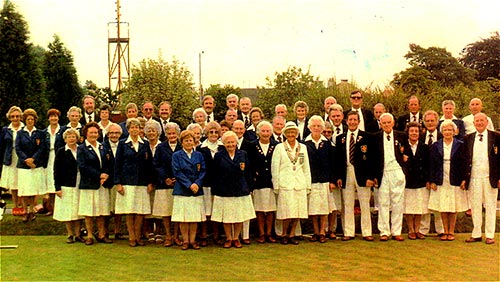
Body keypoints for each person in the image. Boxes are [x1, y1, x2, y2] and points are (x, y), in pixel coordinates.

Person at [335, 111, 375, 241]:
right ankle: (349, 232)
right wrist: (339, 177)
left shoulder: (367, 137)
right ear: (346, 121)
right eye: (350, 120)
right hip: (347, 172)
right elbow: (339, 160)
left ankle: (367, 232)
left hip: (363, 174)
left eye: (354, 120)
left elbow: (371, 159)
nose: (352, 122)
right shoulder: (340, 138)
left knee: (364, 203)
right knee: (348, 204)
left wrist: (370, 177)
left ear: (358, 121)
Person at [211, 131, 255, 248]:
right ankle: (229, 238)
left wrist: (250, 188)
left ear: (236, 142)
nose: (230, 144)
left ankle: (236, 238)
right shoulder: (219, 155)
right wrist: (214, 191)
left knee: (238, 215)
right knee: (227, 216)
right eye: (228, 142)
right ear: (224, 143)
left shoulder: (243, 154)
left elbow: (248, 173)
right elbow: (215, 175)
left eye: (232, 142)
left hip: (241, 190)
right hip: (224, 191)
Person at [114, 118, 154, 247]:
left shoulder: (145, 144)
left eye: (137, 127)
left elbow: (149, 165)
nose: (134, 130)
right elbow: (117, 164)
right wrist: (118, 183)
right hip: (127, 182)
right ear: (128, 129)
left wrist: (150, 182)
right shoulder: (122, 144)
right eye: (132, 127)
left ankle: (138, 236)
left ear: (140, 129)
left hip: (142, 182)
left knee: (140, 211)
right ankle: (131, 236)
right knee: (129, 210)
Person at [271, 122, 311, 245]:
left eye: (293, 132)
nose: (291, 134)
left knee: (297, 211)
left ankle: (292, 234)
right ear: (285, 134)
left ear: (297, 133)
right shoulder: (279, 147)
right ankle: (284, 234)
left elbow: (306, 167)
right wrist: (276, 185)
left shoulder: (302, 147)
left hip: (299, 183)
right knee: (286, 211)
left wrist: (308, 185)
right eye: (288, 132)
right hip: (285, 184)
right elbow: (275, 167)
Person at [428, 120, 468, 241]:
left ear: (454, 131)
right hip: (440, 177)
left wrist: (464, 179)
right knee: (443, 206)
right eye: (445, 130)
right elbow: (432, 164)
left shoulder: (461, 144)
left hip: (455, 177)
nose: (447, 132)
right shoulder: (436, 145)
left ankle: (451, 231)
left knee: (453, 205)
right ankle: (444, 231)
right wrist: (432, 180)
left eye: (450, 130)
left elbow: (465, 163)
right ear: (442, 131)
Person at [464, 113, 500, 244]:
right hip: (473, 177)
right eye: (477, 121)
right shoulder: (468, 138)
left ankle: (490, 235)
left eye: (481, 120)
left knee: (490, 206)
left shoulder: (496, 136)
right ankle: (476, 233)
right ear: (473, 123)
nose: (479, 123)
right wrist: (465, 179)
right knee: (475, 206)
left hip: (490, 177)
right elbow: (465, 159)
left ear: (486, 122)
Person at [373, 113, 408, 241]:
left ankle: (396, 231)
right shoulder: (375, 137)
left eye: (389, 122)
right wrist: (374, 176)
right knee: (382, 202)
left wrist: (404, 168)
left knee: (397, 203)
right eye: (384, 123)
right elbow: (373, 159)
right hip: (382, 173)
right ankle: (384, 231)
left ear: (393, 123)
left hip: (396, 171)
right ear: (380, 124)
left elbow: (407, 152)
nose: (387, 125)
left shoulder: (401, 136)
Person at [77, 122, 112, 245]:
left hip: (102, 185)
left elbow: (108, 163)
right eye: (91, 132)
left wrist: (105, 175)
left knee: (102, 211)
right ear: (86, 134)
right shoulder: (81, 148)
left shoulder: (103, 146)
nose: (93, 134)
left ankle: (102, 234)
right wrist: (98, 175)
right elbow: (83, 166)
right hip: (89, 184)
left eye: (95, 132)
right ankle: (90, 236)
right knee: (89, 212)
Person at [171, 130, 207, 250]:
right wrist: (189, 185)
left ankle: (193, 240)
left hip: (196, 190)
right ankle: (185, 240)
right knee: (184, 217)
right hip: (182, 190)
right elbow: (177, 172)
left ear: (194, 142)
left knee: (194, 217)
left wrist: (197, 183)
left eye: (190, 140)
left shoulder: (199, 155)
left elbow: (203, 171)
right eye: (186, 140)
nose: (188, 142)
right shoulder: (176, 155)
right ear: (182, 142)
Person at [304, 116, 335, 243]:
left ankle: (322, 232)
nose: (316, 128)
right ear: (309, 127)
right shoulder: (304, 144)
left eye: (319, 126)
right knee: (313, 209)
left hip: (324, 181)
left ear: (322, 128)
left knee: (323, 208)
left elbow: (333, 164)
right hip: (311, 180)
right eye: (314, 126)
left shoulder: (328, 144)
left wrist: (332, 181)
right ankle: (315, 232)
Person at [247, 121, 278, 243]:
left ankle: (269, 233)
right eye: (263, 131)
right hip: (258, 182)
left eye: (268, 131)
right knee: (259, 210)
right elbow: (249, 164)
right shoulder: (251, 145)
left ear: (271, 132)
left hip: (271, 181)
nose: (265, 133)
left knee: (270, 210)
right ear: (258, 132)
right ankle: (261, 233)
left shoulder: (276, 145)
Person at [16, 109, 48, 222]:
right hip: (23, 165)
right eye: (28, 119)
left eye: (32, 119)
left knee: (33, 190)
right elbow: (18, 148)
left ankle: (31, 211)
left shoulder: (40, 133)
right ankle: (25, 211)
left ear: (35, 120)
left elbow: (42, 148)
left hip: (35, 165)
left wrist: (33, 159)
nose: (30, 121)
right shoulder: (20, 133)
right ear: (25, 120)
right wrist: (26, 160)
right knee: (25, 190)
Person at [153, 122, 182, 247]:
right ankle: (168, 236)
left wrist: (178, 178)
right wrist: (165, 178)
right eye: (169, 133)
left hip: (180, 184)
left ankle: (176, 236)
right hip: (164, 184)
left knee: (177, 211)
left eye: (174, 133)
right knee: (166, 211)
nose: (172, 136)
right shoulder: (160, 147)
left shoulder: (183, 146)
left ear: (178, 134)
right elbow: (156, 164)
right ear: (166, 135)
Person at [53, 128, 84, 243]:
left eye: (73, 136)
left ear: (77, 138)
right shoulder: (61, 151)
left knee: (78, 209)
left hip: (80, 183)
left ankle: (78, 234)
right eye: (69, 137)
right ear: (65, 139)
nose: (71, 139)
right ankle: (70, 234)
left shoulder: (82, 150)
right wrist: (57, 188)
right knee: (68, 210)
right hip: (66, 184)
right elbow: (56, 170)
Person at [197, 121, 224, 246]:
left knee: (216, 211)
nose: (213, 134)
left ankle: (216, 235)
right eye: (210, 132)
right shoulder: (200, 148)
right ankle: (203, 235)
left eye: (215, 132)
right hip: (205, 184)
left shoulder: (223, 147)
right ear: (206, 134)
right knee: (204, 210)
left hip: (218, 184)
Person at [419, 110, 445, 237]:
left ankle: (441, 230)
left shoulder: (443, 136)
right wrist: (427, 179)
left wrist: (434, 179)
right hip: (423, 175)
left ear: (437, 122)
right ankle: (423, 229)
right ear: (424, 123)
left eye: (432, 121)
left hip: (439, 176)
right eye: (427, 121)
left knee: (438, 203)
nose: (430, 123)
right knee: (425, 203)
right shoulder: (419, 136)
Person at [403, 122, 430, 240]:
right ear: (408, 133)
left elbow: (429, 165)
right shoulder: (402, 147)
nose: (414, 133)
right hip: (407, 181)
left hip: (421, 181)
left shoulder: (425, 147)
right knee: (409, 207)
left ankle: (418, 230)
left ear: (420, 133)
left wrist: (428, 180)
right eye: (412, 131)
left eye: (416, 131)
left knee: (419, 207)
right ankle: (411, 230)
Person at [102, 123, 125, 240]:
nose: (114, 135)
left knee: (118, 209)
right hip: (107, 182)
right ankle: (104, 232)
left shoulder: (124, 145)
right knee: (107, 209)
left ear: (120, 134)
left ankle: (117, 231)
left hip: (120, 181)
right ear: (107, 134)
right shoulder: (102, 146)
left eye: (116, 133)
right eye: (112, 133)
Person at [0, 106, 24, 211]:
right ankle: (15, 205)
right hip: (10, 158)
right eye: (13, 116)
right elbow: (1, 145)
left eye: (17, 116)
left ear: (21, 117)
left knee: (22, 181)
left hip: (22, 157)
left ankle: (22, 205)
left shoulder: (24, 128)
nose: (15, 118)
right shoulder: (5, 130)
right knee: (13, 182)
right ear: (9, 117)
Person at [43, 109, 65, 216]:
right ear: (48, 118)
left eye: (55, 116)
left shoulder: (63, 130)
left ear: (58, 117)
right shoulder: (44, 132)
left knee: (58, 181)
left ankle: (58, 208)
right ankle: (50, 208)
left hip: (59, 158)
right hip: (48, 159)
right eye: (51, 116)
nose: (53, 118)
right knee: (50, 183)